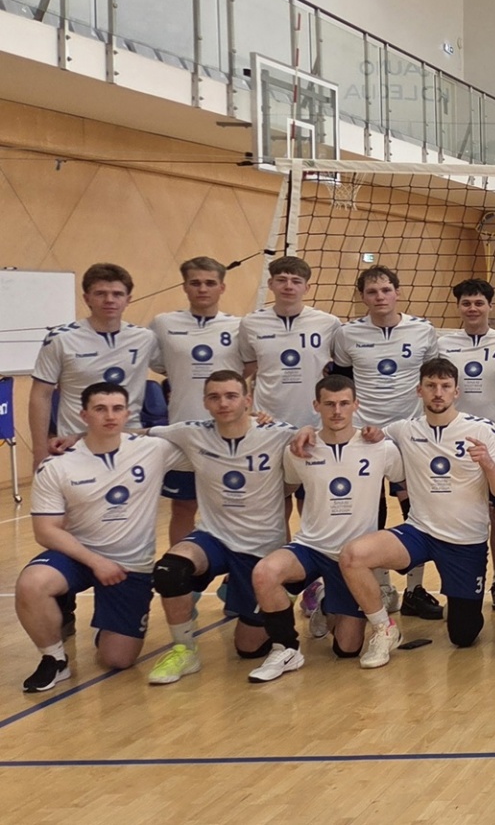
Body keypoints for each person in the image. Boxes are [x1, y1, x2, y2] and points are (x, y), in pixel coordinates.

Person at [336, 358, 495, 669]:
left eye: (445, 386)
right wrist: (308, 434)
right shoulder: (403, 429)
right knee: (353, 556)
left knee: (464, 635)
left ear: (456, 391)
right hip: (419, 532)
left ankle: (458, 607)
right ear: (419, 390)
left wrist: (487, 463)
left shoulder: (481, 429)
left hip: (465, 542)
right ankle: (384, 628)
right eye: (431, 386)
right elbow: (356, 436)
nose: (438, 392)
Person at [17, 383, 183, 692]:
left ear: (127, 414)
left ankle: (108, 627)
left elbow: (208, 441)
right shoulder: (58, 464)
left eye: (117, 409)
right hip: (78, 556)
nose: (110, 416)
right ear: (84, 415)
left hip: (131, 565)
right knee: (32, 583)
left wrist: (256, 419)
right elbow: (45, 530)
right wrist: (96, 562)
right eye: (100, 409)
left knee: (117, 659)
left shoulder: (154, 449)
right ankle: (54, 659)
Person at [142, 371, 299, 685]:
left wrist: (307, 430)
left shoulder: (277, 434)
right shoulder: (192, 432)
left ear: (247, 400)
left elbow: (312, 436)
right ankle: (184, 650)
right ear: (205, 402)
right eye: (214, 397)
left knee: (248, 649)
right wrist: (75, 440)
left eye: (231, 396)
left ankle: (280, 594)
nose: (223, 403)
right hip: (213, 537)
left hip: (260, 548)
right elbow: (135, 434)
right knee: (170, 570)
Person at [245, 375, 404, 682]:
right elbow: (286, 488)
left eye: (344, 403)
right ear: (316, 405)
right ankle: (285, 648)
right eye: (329, 404)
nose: (337, 411)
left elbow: (406, 483)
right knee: (264, 572)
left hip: (351, 559)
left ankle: (326, 601)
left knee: (347, 649)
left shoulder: (381, 448)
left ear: (356, 404)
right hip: (310, 546)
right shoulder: (299, 449)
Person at [329, 264, 445, 617]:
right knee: (368, 511)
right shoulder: (347, 335)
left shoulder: (422, 330)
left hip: (409, 433)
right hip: (363, 435)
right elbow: (342, 384)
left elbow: (434, 380)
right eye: (372, 291)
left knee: (416, 510)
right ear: (362, 297)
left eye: (385, 290)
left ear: (397, 292)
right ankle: (380, 585)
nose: (380, 297)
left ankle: (414, 589)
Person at [438, 278, 495, 616]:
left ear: (490, 306)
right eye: (466, 303)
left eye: (479, 303)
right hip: (454, 442)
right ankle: (460, 582)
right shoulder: (443, 344)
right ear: (458, 307)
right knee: (458, 511)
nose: (473, 308)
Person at [149, 256, 245, 544]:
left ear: (222, 287)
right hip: (183, 431)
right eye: (195, 283)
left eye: (210, 283)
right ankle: (181, 567)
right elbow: (161, 364)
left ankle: (232, 569)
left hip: (230, 433)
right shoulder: (163, 324)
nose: (203, 289)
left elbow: (249, 367)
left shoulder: (240, 327)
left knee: (234, 506)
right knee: (183, 506)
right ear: (185, 286)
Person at [31, 263, 156, 468]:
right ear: (86, 298)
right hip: (74, 444)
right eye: (100, 293)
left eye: (117, 294)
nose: (109, 300)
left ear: (128, 299)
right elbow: (41, 396)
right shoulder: (61, 339)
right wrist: (39, 452)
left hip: (130, 441)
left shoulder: (146, 338)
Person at [239, 256, 343, 429]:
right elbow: (247, 366)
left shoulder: (329, 323)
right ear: (270, 284)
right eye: (281, 280)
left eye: (296, 281)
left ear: (306, 288)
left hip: (313, 419)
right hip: (265, 418)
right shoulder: (250, 323)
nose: (288, 286)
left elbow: (341, 364)